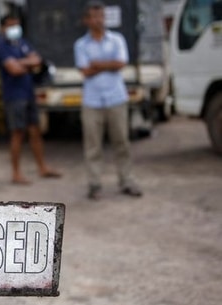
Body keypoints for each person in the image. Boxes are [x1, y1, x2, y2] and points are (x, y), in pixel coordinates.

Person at [74, 1, 142, 200]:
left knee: (122, 142)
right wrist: (108, 64)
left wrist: (98, 64)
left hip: (116, 98)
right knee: (93, 145)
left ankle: (127, 180)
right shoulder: (81, 44)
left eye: (101, 16)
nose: (99, 20)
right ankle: (95, 184)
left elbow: (121, 63)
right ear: (86, 20)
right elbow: (85, 71)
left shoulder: (117, 39)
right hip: (92, 101)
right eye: (94, 17)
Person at [0, 14, 61, 185]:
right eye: (11, 25)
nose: (15, 28)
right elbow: (14, 70)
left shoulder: (22, 43)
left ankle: (42, 167)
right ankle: (16, 173)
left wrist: (21, 63)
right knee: (18, 133)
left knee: (35, 131)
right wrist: (27, 64)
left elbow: (37, 60)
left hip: (28, 92)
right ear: (3, 28)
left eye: (17, 24)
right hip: (14, 96)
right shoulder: (2, 47)